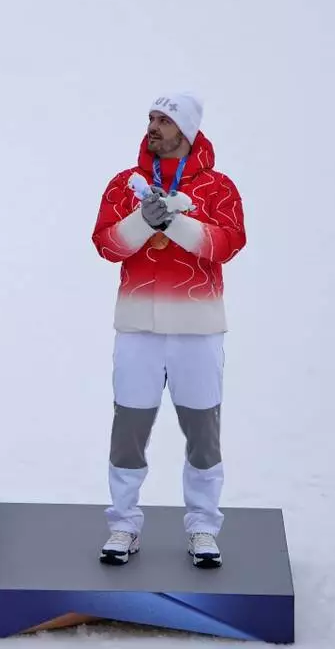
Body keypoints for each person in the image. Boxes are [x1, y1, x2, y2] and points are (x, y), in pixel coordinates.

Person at [90, 93, 246, 569]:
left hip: (198, 328)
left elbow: (227, 243)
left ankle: (203, 526)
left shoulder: (219, 187)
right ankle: (123, 523)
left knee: (202, 431)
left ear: (187, 129)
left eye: (165, 119)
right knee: (129, 428)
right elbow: (106, 243)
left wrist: (175, 221)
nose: (154, 126)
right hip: (138, 325)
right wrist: (143, 219)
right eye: (152, 118)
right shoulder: (125, 184)